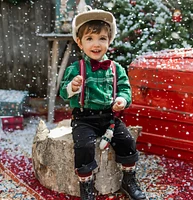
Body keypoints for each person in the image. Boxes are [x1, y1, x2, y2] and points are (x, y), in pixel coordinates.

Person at [60, 6, 146, 200]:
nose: (96, 44)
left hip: (110, 116)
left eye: (102, 38)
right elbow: (63, 93)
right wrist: (73, 87)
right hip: (84, 117)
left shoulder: (116, 68)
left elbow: (125, 89)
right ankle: (86, 185)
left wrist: (122, 100)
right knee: (83, 146)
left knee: (127, 140)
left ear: (109, 41)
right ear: (80, 43)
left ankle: (128, 179)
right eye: (89, 39)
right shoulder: (76, 68)